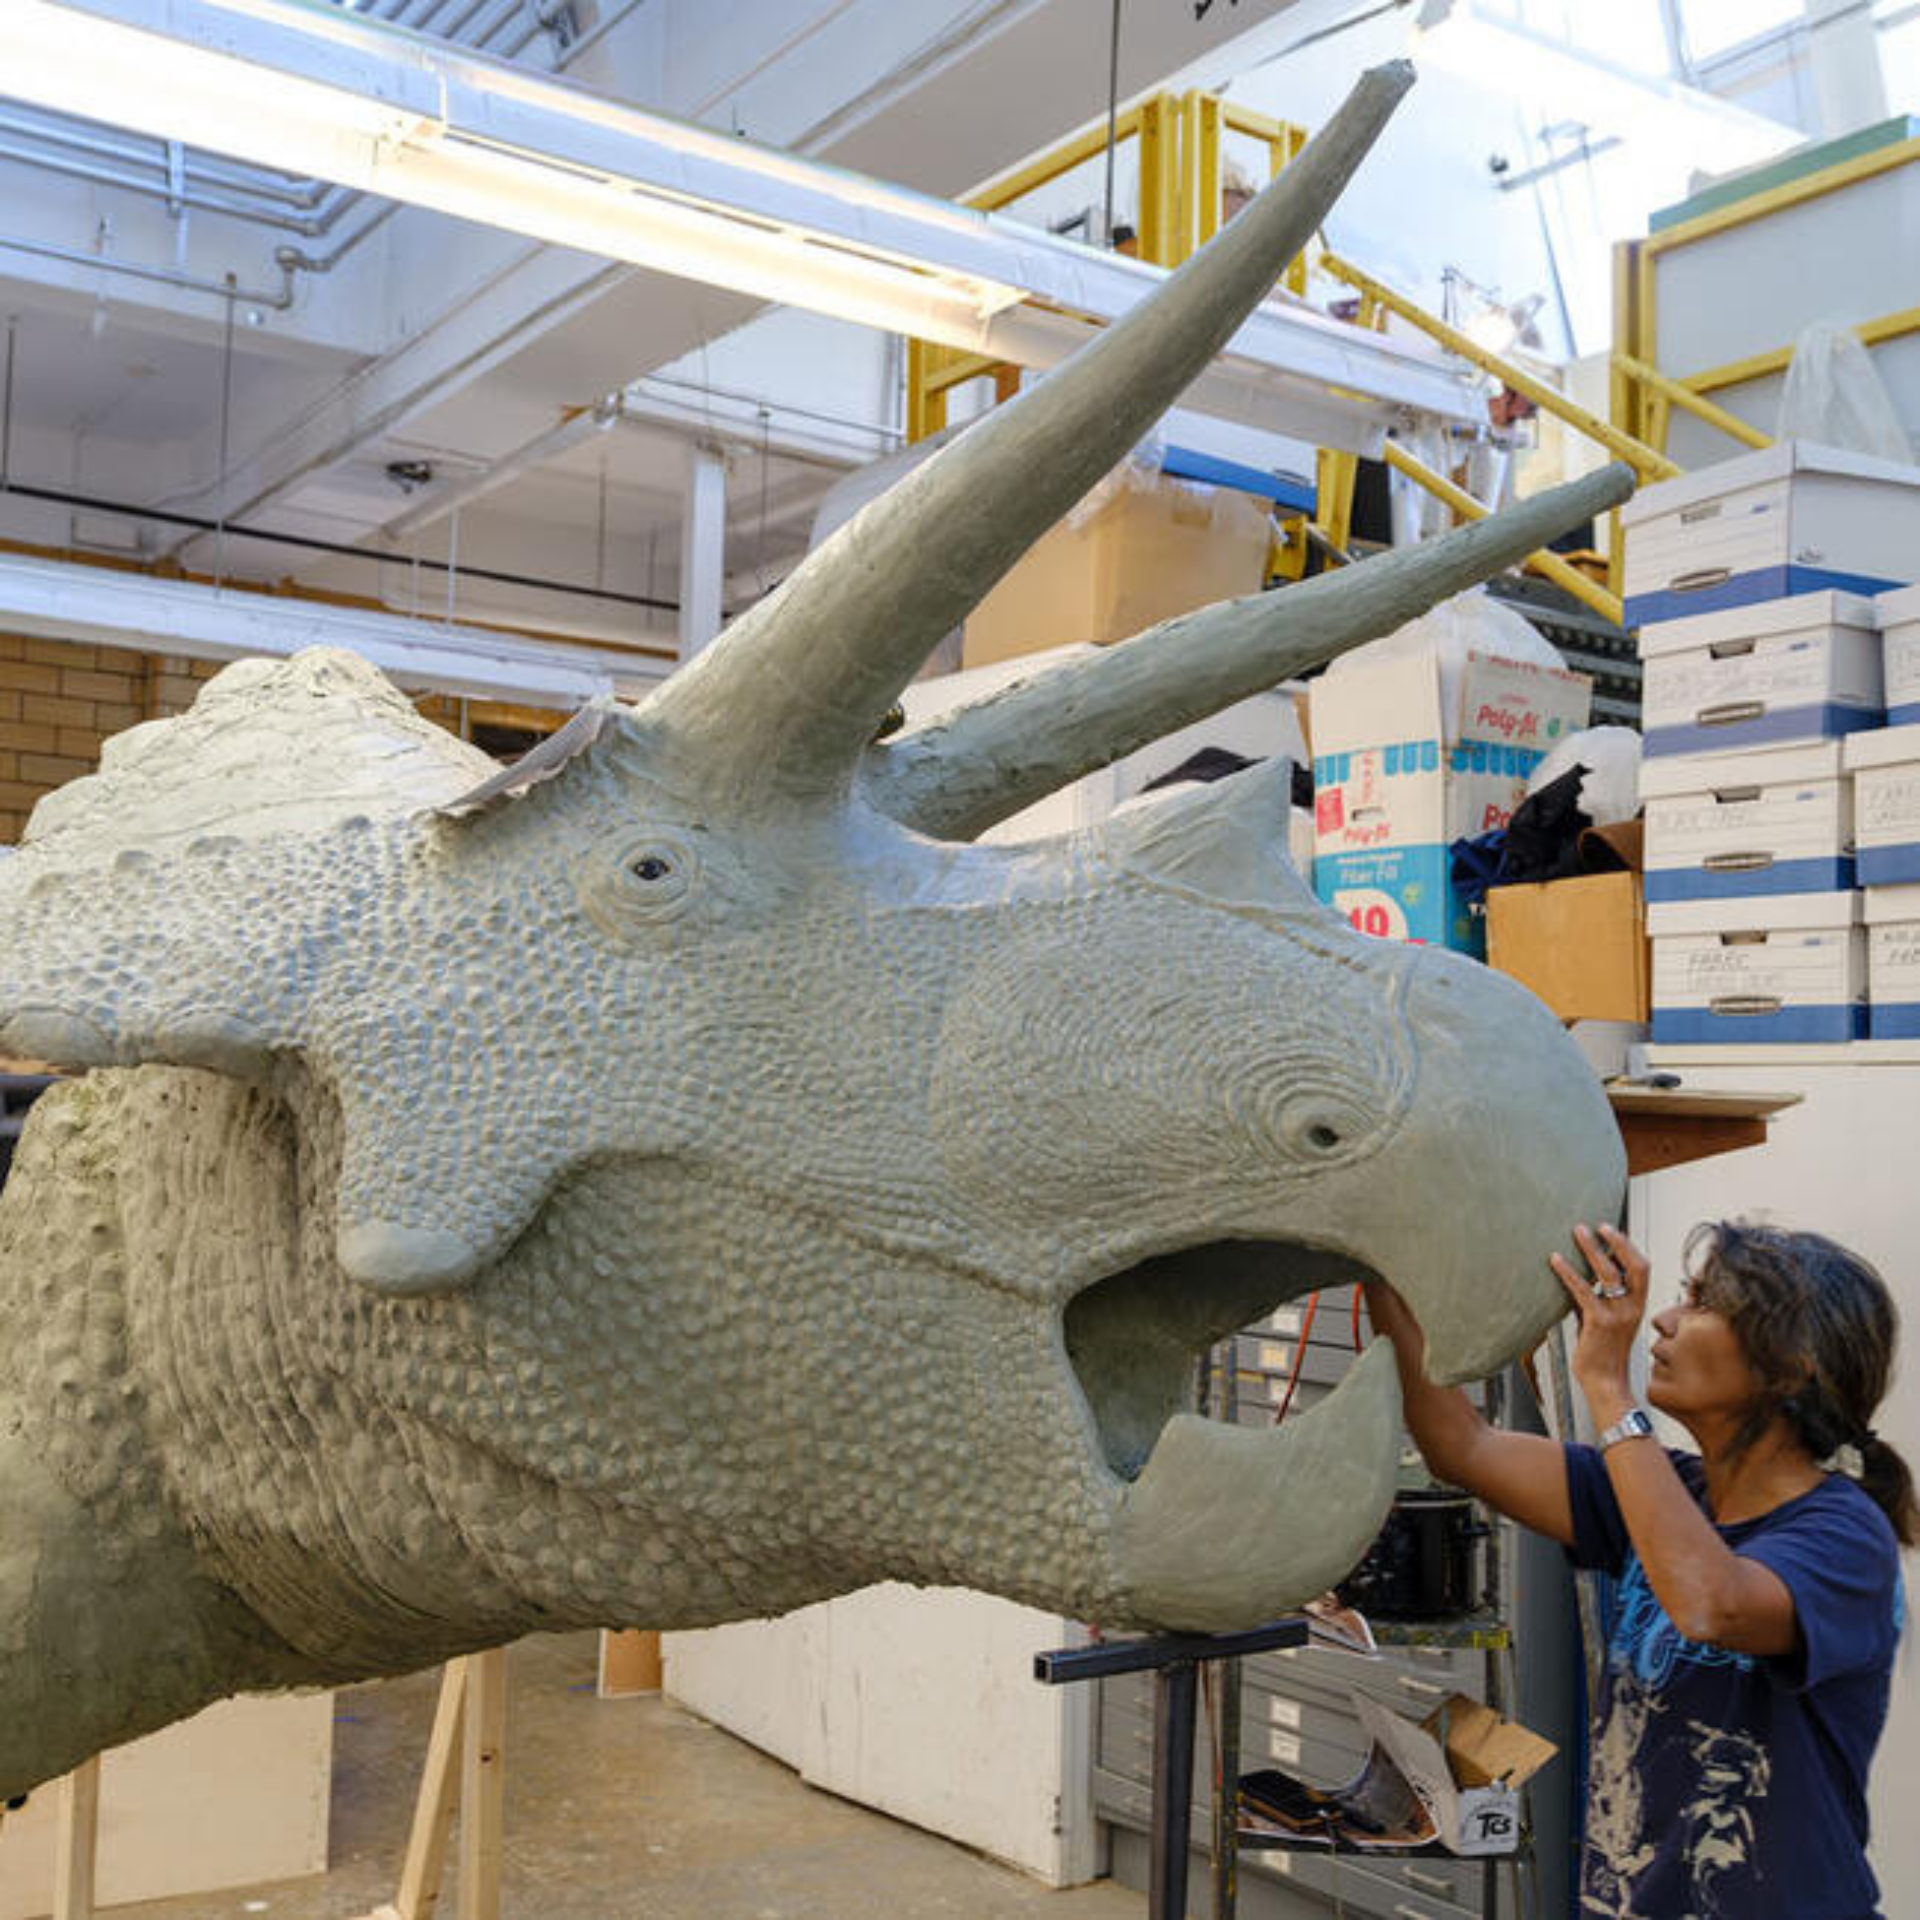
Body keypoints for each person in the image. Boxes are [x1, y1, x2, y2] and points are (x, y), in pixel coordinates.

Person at [1364, 1218, 1914, 1919]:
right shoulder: (1662, 1491)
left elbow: (1710, 1603)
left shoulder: (1844, 1535)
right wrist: (1380, 1268)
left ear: (1793, 1364)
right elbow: (1460, 1443)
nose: (1664, 1319)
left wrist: (1606, 1386)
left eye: (1703, 1304)